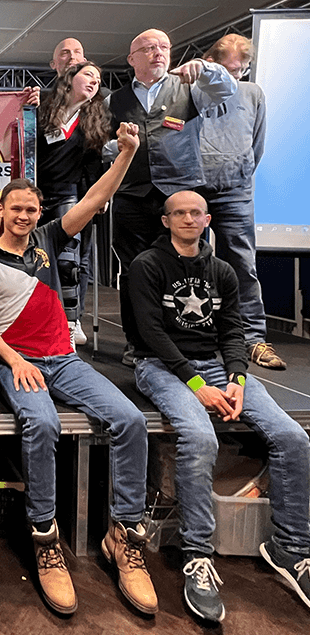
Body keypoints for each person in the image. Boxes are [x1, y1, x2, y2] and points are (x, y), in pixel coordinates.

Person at [0, 124, 159, 617]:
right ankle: (45, 537)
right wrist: (13, 360)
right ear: (0, 210)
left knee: (131, 420)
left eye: (32, 209)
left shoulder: (49, 239)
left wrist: (125, 154)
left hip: (64, 360)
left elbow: (97, 195)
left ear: (40, 214)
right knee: (42, 423)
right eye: (16, 207)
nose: (24, 215)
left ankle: (124, 535)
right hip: (18, 362)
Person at [127, 190, 310, 622]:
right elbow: (150, 333)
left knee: (293, 438)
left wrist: (237, 380)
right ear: (166, 220)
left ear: (207, 219)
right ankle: (198, 555)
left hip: (216, 367)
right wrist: (195, 383)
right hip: (161, 366)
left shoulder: (222, 271)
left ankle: (291, 548)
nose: (189, 219)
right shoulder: (146, 266)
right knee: (199, 436)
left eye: (195, 213)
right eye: (180, 213)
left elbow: (233, 332)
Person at [107, 28, 236, 366]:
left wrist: (206, 68)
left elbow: (227, 89)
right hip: (131, 196)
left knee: (190, 268)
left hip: (181, 195)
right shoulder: (115, 100)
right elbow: (101, 146)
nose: (158, 52)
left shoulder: (192, 86)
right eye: (148, 48)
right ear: (132, 59)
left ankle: (191, 345)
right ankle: (138, 345)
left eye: (163, 46)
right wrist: (117, 147)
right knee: (134, 272)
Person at [198, 34, 283, 369]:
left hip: (236, 188)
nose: (234, 77)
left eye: (240, 70)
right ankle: (196, 335)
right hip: (195, 187)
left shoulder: (253, 94)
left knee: (242, 264)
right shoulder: (194, 91)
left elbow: (257, 145)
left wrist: (241, 171)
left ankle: (253, 339)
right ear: (212, 62)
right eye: (227, 69)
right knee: (191, 262)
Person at [36, 61, 112, 346]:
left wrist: (98, 195)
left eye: (99, 78)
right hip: (38, 194)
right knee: (38, 259)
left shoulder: (95, 118)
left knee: (68, 262)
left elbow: (97, 162)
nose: (95, 81)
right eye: (89, 75)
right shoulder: (43, 108)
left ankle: (69, 322)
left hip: (70, 195)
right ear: (70, 78)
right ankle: (40, 319)